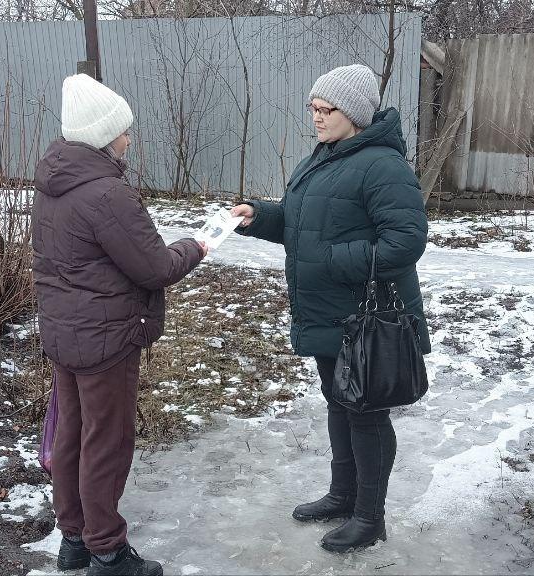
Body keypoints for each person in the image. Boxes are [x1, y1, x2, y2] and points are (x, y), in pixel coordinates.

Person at [230, 64, 430, 553]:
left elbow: (407, 240)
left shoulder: (383, 165)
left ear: (355, 115)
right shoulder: (325, 156)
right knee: (339, 403)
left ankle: (370, 517)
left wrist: (338, 260)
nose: (316, 118)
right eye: (313, 109)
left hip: (365, 317)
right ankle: (343, 495)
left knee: (365, 413)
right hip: (327, 311)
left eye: (326, 110)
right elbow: (303, 222)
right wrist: (260, 215)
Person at [33, 73, 207, 576]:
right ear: (104, 134)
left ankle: (74, 540)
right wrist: (196, 246)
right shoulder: (106, 194)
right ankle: (107, 552)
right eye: (123, 130)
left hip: (65, 333)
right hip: (106, 338)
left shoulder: (53, 183)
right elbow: (155, 268)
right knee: (105, 441)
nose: (129, 137)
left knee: (72, 432)